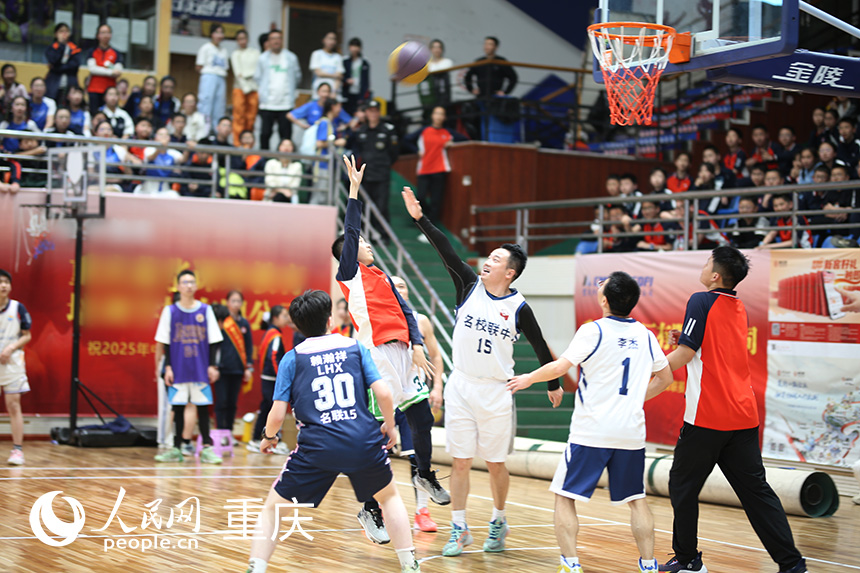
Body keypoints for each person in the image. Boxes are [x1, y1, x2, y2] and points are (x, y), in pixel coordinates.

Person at [402, 185, 562, 557]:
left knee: (495, 463)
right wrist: (421, 219)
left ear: (510, 272)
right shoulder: (468, 285)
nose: (487, 261)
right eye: (488, 256)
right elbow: (446, 250)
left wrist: (553, 382)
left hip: (495, 391)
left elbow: (541, 345)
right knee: (460, 462)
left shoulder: (519, 308)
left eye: (495, 259)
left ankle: (499, 520)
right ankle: (459, 529)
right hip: (461, 386)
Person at [244, 289, 422, 573]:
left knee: (273, 509)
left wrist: (268, 437)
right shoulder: (355, 347)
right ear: (329, 319)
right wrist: (390, 426)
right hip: (362, 440)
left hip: (317, 447)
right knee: (389, 498)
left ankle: (256, 567)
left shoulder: (292, 358)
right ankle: (409, 565)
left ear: (297, 326)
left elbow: (276, 414)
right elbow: (384, 394)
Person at [507, 271, 672, 573]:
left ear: (605, 300)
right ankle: (649, 565)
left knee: (564, 496)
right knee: (637, 499)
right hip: (631, 432)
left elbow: (560, 366)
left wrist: (529, 377)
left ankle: (571, 565)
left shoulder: (593, 330)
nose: (598, 286)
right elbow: (665, 377)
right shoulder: (646, 335)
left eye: (602, 285)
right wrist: (635, 400)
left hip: (592, 431)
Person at [658, 246, 807, 573]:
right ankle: (793, 564)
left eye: (706, 262)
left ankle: (687, 559)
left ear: (715, 275)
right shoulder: (738, 307)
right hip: (743, 417)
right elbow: (710, 346)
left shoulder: (700, 300)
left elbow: (685, 355)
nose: (703, 266)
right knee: (757, 494)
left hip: (708, 417)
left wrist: (648, 370)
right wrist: (686, 340)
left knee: (682, 486)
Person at [334, 156, 449, 546]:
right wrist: (354, 190)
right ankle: (369, 508)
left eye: (367, 243)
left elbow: (408, 312)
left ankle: (424, 474)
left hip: (403, 353)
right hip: (377, 355)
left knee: (422, 418)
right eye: (363, 244)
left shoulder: (383, 276)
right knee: (376, 436)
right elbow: (351, 231)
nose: (368, 245)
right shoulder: (350, 275)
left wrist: (417, 345)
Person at [389, 275, 445, 532]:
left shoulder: (420, 320)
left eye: (402, 285)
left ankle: (422, 511)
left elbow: (436, 355)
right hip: (387, 394)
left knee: (417, 454)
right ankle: (377, 507)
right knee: (378, 453)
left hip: (413, 393)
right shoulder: (376, 317)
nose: (398, 289)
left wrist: (437, 386)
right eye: (393, 285)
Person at [153, 270, 224, 464]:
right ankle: (176, 448)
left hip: (200, 368)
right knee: (177, 407)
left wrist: (212, 366)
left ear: (196, 285)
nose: (189, 285)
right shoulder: (170, 311)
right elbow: (165, 342)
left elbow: (214, 341)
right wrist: (168, 367)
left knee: (203, 408)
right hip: (178, 368)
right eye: (185, 282)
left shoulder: (205, 310)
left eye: (192, 282)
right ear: (178, 286)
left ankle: (207, 448)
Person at [350, 100, 399, 236]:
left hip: (382, 174)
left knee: (381, 206)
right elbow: (356, 149)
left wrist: (384, 164)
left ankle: (383, 235)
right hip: (365, 175)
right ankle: (364, 234)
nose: (373, 114)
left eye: (375, 111)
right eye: (370, 111)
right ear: (366, 113)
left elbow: (394, 153)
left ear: (379, 112)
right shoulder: (361, 130)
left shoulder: (388, 130)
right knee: (364, 205)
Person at [0, 269, 32, 466]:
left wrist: (11, 347)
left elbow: (27, 335)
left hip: (12, 364)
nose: (3, 285)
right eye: (0, 282)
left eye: (6, 282)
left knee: (13, 405)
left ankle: (17, 450)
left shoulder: (17, 307)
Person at [248, 305, 290, 455]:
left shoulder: (269, 333)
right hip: (272, 379)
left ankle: (256, 439)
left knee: (266, 408)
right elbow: (273, 357)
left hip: (267, 377)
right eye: (284, 316)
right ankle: (272, 440)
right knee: (274, 409)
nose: (287, 319)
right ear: (275, 318)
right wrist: (281, 376)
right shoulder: (275, 336)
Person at [415, 106, 464, 229]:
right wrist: (416, 150)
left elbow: (465, 139)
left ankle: (430, 228)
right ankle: (425, 220)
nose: (439, 116)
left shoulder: (447, 133)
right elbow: (406, 140)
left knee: (436, 201)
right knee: (420, 197)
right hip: (424, 169)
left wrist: (452, 143)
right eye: (436, 113)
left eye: (441, 114)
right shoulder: (424, 130)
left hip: (439, 170)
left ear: (444, 117)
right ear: (432, 115)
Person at [214, 290, 253, 437]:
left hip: (238, 369)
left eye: (238, 301)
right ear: (227, 303)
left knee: (232, 403)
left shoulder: (244, 323)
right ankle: (220, 433)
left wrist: (248, 367)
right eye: (233, 301)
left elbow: (248, 347)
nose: (236, 304)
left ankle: (229, 434)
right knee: (221, 402)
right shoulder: (223, 321)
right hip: (222, 369)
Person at [254, 29, 301, 150]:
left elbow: (297, 77)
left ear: (282, 40)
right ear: (268, 41)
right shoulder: (262, 58)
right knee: (265, 134)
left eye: (278, 38)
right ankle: (264, 159)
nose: (276, 41)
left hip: (285, 104)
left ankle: (284, 159)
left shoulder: (291, 57)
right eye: (273, 38)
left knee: (285, 136)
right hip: (267, 104)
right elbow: (258, 78)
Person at [309, 99, 348, 205]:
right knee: (319, 196)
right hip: (322, 165)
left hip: (328, 165)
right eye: (339, 107)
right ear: (333, 107)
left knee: (326, 197)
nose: (340, 110)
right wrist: (336, 142)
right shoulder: (325, 122)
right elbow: (319, 143)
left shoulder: (331, 123)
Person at [229, 29, 260, 146]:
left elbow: (257, 70)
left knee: (251, 117)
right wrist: (246, 84)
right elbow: (238, 73)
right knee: (239, 116)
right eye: (239, 39)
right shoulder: (235, 54)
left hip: (254, 88)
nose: (242, 41)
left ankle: (249, 144)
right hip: (239, 88)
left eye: (244, 38)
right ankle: (237, 144)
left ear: (247, 39)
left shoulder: (255, 53)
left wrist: (248, 76)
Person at [196, 24, 229, 128]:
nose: (219, 35)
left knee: (219, 105)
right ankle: (203, 129)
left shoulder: (224, 50)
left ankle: (216, 130)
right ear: (211, 34)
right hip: (209, 76)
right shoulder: (206, 47)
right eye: (216, 32)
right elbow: (199, 66)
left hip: (221, 77)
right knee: (206, 102)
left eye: (221, 33)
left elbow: (225, 67)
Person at [86, 24, 123, 116]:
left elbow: (118, 71)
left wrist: (100, 69)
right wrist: (110, 72)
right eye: (102, 33)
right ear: (97, 35)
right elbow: (92, 69)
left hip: (110, 90)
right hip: (94, 89)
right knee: (94, 115)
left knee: (109, 115)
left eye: (108, 32)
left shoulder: (116, 53)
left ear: (111, 35)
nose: (105, 35)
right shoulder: (92, 51)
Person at [137, 126, 183, 196]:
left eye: (166, 135)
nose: (163, 137)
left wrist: (188, 148)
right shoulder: (149, 149)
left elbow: (183, 159)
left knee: (174, 195)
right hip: (149, 184)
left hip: (165, 185)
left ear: (169, 138)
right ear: (155, 137)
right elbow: (151, 158)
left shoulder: (172, 152)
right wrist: (160, 148)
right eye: (161, 135)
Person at [45, 22, 82, 103]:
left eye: (66, 31)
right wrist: (61, 46)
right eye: (61, 31)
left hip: (70, 82)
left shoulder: (75, 48)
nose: (64, 34)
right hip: (53, 84)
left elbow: (74, 65)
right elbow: (53, 60)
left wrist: (56, 68)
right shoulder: (52, 48)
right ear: (56, 34)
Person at [418, 39, 454, 109]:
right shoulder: (427, 65)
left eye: (439, 47)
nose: (437, 50)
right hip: (431, 93)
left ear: (442, 49)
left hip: (444, 92)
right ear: (431, 49)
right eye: (434, 47)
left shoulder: (447, 62)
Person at [310, 31, 344, 96]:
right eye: (330, 39)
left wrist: (334, 92)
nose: (332, 41)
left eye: (334, 39)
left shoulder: (338, 57)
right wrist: (334, 75)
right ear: (323, 40)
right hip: (318, 93)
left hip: (333, 93)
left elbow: (339, 76)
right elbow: (318, 73)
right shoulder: (317, 54)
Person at [343, 37, 370, 115]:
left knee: (359, 112)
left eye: (356, 46)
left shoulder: (364, 62)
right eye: (352, 46)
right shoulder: (345, 61)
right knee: (347, 112)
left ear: (360, 48)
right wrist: (346, 80)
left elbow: (366, 81)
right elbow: (341, 76)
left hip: (359, 92)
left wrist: (363, 96)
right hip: (347, 92)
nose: (354, 49)